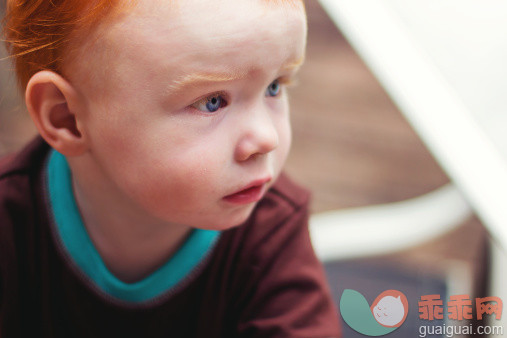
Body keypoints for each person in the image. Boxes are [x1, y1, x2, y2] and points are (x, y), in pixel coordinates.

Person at [0, 0, 340, 336]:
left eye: (274, 86)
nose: (267, 138)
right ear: (67, 118)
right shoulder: (10, 226)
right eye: (212, 102)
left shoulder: (271, 231)